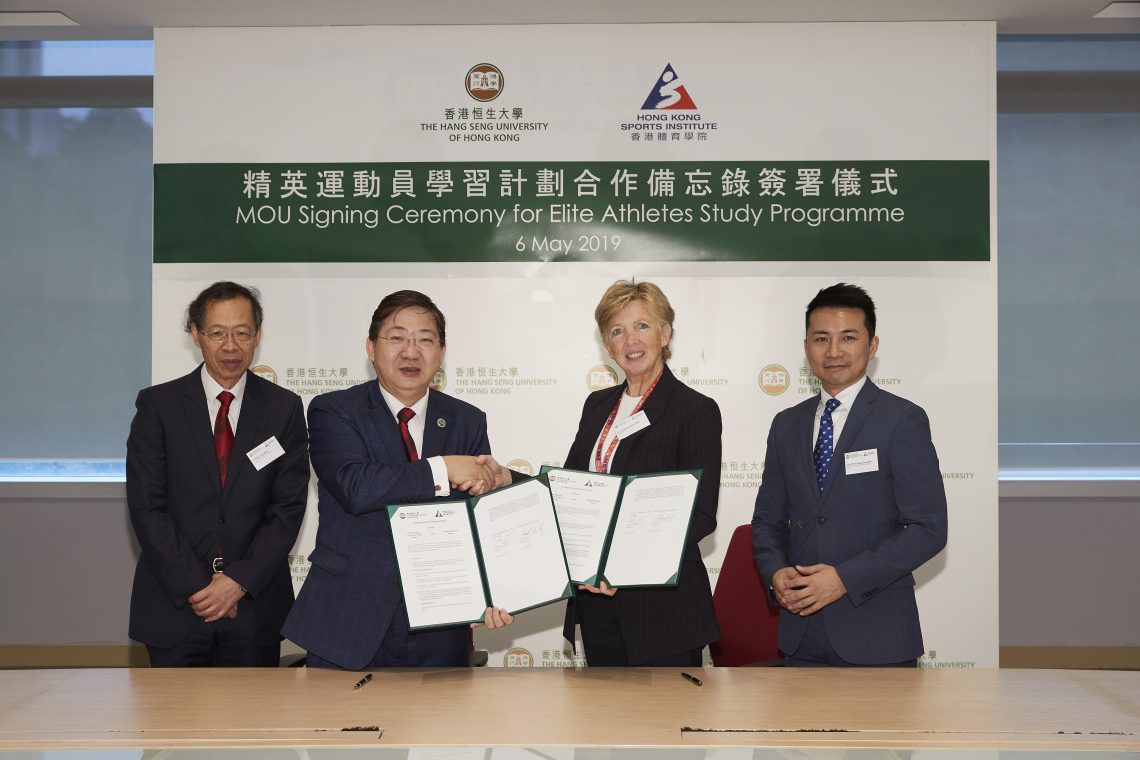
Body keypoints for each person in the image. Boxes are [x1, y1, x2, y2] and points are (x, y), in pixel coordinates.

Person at [282, 290, 514, 669]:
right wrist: (444, 469)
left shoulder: (467, 420)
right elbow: (356, 487)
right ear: (371, 348)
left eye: (425, 339)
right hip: (349, 618)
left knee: (439, 728)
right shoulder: (334, 410)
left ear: (441, 353)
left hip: (442, 623)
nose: (411, 351)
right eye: (397, 337)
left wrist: (495, 591)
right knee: (338, 725)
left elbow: (479, 520)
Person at [751, 283, 948, 667]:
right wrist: (775, 573)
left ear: (872, 346)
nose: (834, 351)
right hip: (802, 635)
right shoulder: (786, 425)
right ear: (806, 346)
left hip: (878, 635)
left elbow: (927, 528)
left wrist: (844, 578)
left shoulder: (901, 420)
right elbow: (766, 521)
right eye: (821, 338)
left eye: (848, 337)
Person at [126, 281, 309, 667]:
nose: (231, 346)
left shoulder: (284, 409)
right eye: (218, 333)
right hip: (175, 606)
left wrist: (237, 583)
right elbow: (147, 508)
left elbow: (287, 509)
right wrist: (200, 588)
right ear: (196, 334)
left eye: (242, 333)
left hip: (253, 608)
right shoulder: (159, 406)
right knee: (173, 724)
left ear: (257, 336)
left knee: (251, 725)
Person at [561, 279, 721, 666]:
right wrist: (503, 480)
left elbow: (698, 516)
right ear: (607, 344)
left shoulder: (694, 409)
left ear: (665, 333)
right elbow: (567, 491)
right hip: (596, 604)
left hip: (661, 611)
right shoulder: (597, 406)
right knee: (607, 724)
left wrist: (621, 565)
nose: (630, 340)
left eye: (642, 326)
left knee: (665, 725)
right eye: (617, 330)